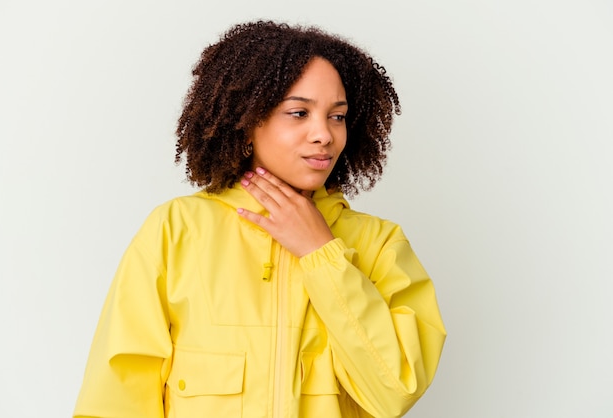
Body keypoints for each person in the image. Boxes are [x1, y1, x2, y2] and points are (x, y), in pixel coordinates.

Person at [73, 20, 446, 418]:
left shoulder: (380, 244)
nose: (324, 134)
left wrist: (322, 255)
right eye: (299, 113)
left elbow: (396, 390)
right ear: (248, 121)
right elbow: (117, 396)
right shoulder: (177, 230)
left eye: (337, 116)